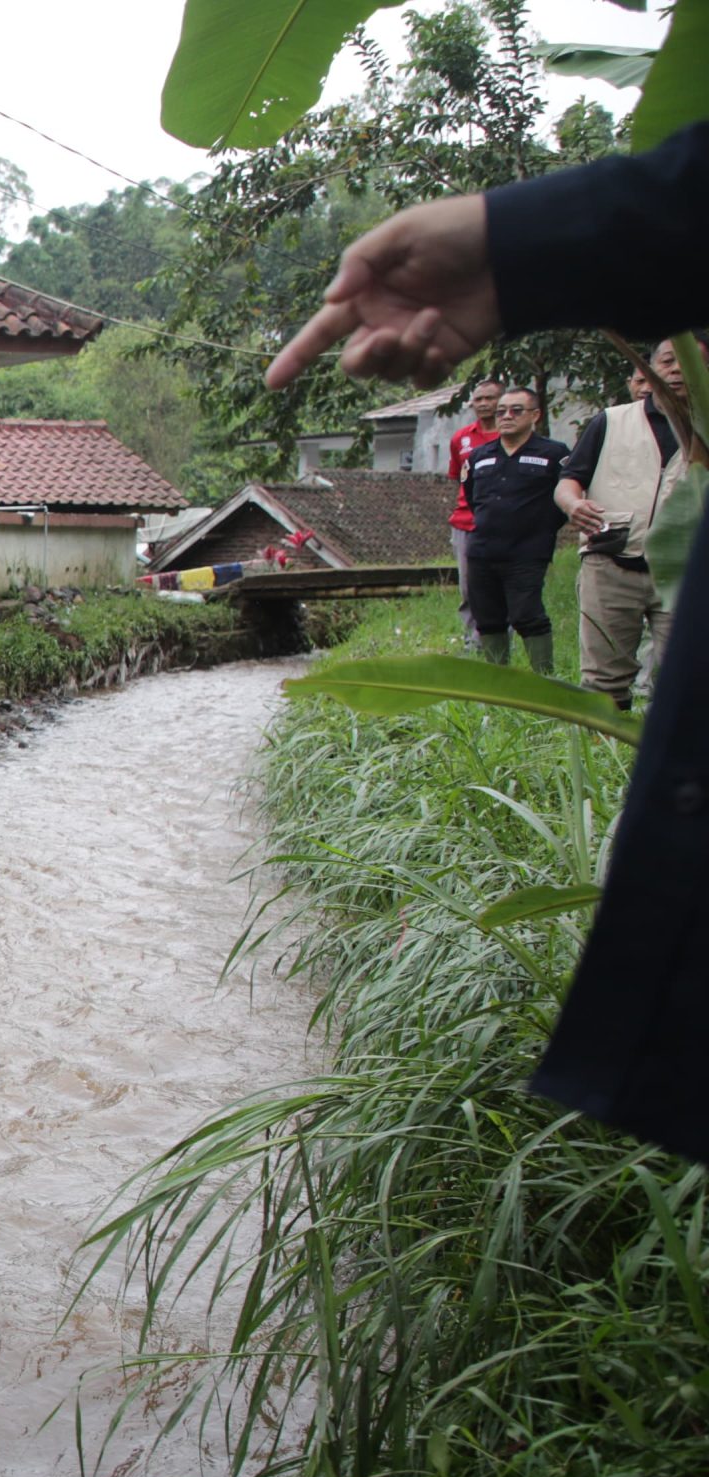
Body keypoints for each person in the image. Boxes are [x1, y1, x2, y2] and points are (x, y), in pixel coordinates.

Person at [263, 119, 708, 1158]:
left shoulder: (590, 434)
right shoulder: (567, 441)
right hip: (557, 555)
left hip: (569, 558)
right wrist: (515, 244)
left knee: (537, 616)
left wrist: (520, 244)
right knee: (531, 634)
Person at [557, 337, 693, 708]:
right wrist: (572, 504)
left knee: (687, 678)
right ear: (649, 369)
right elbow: (570, 480)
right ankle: (605, 754)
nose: (677, 369)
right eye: (668, 361)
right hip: (610, 562)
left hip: (688, 573)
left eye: (690, 361)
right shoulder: (612, 420)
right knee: (604, 681)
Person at [458, 386, 570, 672]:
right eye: (501, 411)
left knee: (526, 614)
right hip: (482, 550)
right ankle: (499, 683)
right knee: (488, 618)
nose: (506, 416)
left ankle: (544, 680)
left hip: (527, 551)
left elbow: (565, 499)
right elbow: (472, 497)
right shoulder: (479, 456)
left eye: (516, 410)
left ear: (535, 415)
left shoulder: (554, 454)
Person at [446, 378, 503, 641]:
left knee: (502, 584)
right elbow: (459, 477)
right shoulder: (461, 438)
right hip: (466, 522)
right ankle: (474, 641)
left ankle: (504, 639)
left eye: (489, 398)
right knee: (469, 587)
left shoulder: (510, 435)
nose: (483, 404)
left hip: (504, 524)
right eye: (478, 399)